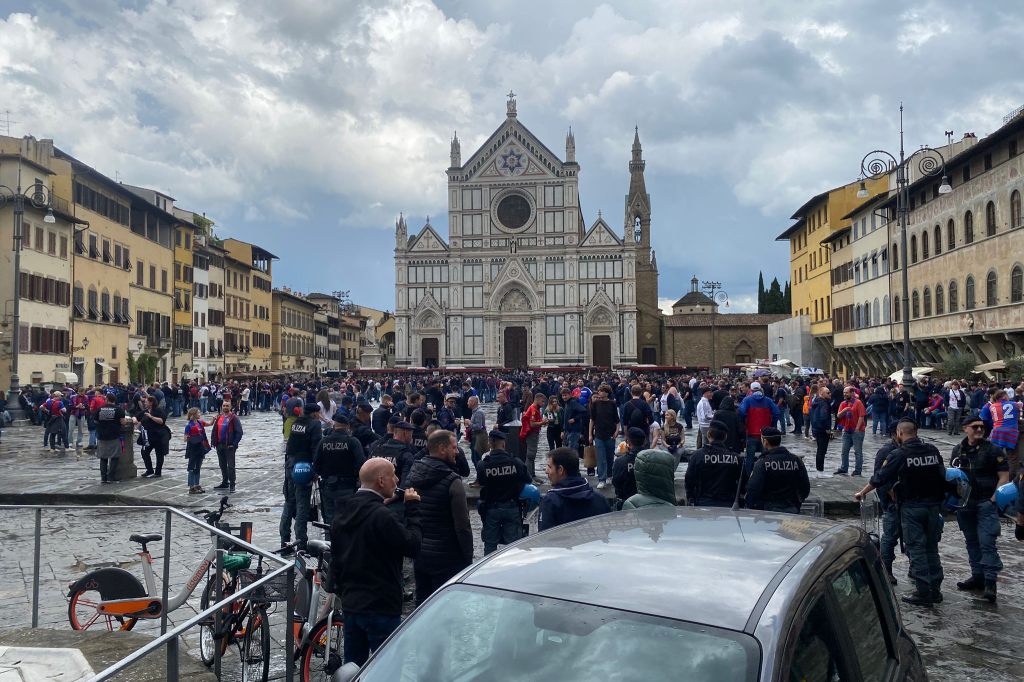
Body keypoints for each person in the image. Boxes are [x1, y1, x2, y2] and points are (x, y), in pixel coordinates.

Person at [330, 458, 422, 666]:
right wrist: (414, 509)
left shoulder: (343, 511)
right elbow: (413, 546)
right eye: (393, 475)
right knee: (388, 668)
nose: (397, 480)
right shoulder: (382, 516)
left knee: (354, 668)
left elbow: (336, 556)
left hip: (352, 605)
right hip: (381, 606)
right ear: (381, 481)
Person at [855, 420, 947, 606]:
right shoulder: (932, 450)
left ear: (899, 433)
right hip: (933, 506)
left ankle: (923, 591)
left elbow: (880, 477)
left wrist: (862, 492)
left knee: (917, 548)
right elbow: (942, 474)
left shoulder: (899, 454)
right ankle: (935, 588)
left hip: (911, 507)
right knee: (931, 547)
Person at [405, 430, 474, 605]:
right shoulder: (453, 481)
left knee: (422, 606)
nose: (457, 452)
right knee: (447, 609)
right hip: (447, 558)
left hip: (421, 555)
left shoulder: (413, 473)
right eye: (454, 447)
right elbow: (463, 526)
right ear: (442, 449)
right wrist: (468, 558)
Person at [950, 414, 1009, 603]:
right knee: (971, 542)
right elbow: (953, 475)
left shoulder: (993, 450)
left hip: (985, 503)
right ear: (965, 428)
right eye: (974, 427)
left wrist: (994, 499)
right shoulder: (958, 450)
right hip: (965, 504)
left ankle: (990, 583)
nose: (979, 430)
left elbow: (1004, 477)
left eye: (981, 427)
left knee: (987, 543)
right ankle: (977, 577)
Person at [476, 429, 530, 555]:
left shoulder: (483, 464)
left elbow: (481, 482)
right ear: (504, 444)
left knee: (490, 546)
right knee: (512, 547)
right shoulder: (515, 462)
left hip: (491, 508)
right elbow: (528, 479)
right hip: (512, 507)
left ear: (490, 444)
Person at [281, 402, 323, 549]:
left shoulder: (296, 423)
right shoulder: (314, 424)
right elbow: (316, 448)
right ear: (315, 413)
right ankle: (301, 543)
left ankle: (284, 540)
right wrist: (316, 470)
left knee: (289, 501)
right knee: (302, 505)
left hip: (290, 465)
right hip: (303, 466)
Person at [538, 447, 610, 531]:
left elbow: (544, 537)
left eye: (549, 467)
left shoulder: (550, 502)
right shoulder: (599, 499)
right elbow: (608, 530)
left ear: (560, 470)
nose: (546, 471)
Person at [314, 413, 366, 525]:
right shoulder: (353, 441)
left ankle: (330, 542)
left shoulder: (323, 442)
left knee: (329, 521)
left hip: (328, 486)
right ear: (347, 427)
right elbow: (362, 463)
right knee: (349, 520)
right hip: (348, 486)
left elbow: (316, 465)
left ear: (334, 426)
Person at [745, 427, 810, 514]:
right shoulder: (796, 460)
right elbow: (805, 486)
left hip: (768, 511)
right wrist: (798, 502)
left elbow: (753, 489)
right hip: (792, 508)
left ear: (765, 442)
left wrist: (752, 506)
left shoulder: (763, 462)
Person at [684, 420, 743, 507]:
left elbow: (689, 479)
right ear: (725, 437)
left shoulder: (698, 455)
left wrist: (690, 498)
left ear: (708, 435)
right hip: (729, 505)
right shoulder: (735, 458)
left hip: (703, 503)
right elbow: (743, 481)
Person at [872, 423, 902, 585]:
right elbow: (879, 478)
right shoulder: (886, 451)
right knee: (890, 537)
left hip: (909, 501)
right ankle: (886, 570)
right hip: (892, 503)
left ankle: (914, 567)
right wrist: (891, 495)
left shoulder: (909, 450)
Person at [738, 381, 780, 475]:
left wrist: (746, 421)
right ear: (760, 389)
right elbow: (777, 412)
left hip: (751, 432)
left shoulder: (747, 400)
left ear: (751, 390)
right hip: (765, 433)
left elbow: (741, 412)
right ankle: (765, 474)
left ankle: (749, 476)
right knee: (766, 456)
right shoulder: (768, 400)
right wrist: (772, 424)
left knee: (749, 457)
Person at [93, 392, 130, 483]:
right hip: (114, 435)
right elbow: (123, 422)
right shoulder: (119, 410)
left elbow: (95, 421)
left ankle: (103, 478)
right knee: (114, 456)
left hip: (101, 436)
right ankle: (111, 476)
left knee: (103, 457)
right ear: (114, 400)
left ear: (106, 400)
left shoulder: (99, 409)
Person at [370, 420, 417, 485]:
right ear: (405, 433)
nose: (411, 437)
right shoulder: (406, 454)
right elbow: (405, 482)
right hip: (392, 492)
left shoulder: (377, 448)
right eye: (411, 434)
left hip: (373, 491)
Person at [210, 400, 243, 492]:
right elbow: (214, 430)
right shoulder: (219, 417)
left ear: (230, 407)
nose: (225, 407)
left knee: (231, 466)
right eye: (224, 406)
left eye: (227, 406)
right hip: (219, 445)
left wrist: (234, 444)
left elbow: (239, 432)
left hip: (229, 446)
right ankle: (225, 482)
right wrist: (214, 442)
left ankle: (232, 484)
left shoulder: (234, 418)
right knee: (222, 465)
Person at [835, 386, 867, 476]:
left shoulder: (858, 403)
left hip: (858, 431)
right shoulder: (843, 404)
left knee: (858, 452)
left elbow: (862, 416)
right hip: (846, 430)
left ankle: (858, 470)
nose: (845, 394)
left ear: (852, 393)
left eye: (847, 392)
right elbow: (838, 416)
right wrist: (844, 410)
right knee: (844, 451)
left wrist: (857, 428)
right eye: (844, 392)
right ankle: (844, 468)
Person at [611, 427, 645, 508]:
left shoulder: (620, 461)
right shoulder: (652, 460)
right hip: (646, 504)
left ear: (628, 442)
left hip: (625, 502)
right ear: (644, 442)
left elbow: (616, 482)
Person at [139, 395, 171, 478]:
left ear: (151, 402)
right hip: (148, 437)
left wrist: (151, 417)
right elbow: (138, 417)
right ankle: (149, 470)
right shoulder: (145, 411)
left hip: (159, 436)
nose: (145, 403)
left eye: (146, 402)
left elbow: (161, 421)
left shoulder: (158, 410)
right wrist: (134, 419)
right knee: (144, 452)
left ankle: (158, 472)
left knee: (159, 454)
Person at [519, 393, 547, 482]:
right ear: (537, 399)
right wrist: (542, 423)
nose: (543, 404)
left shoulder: (535, 408)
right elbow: (532, 424)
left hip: (533, 434)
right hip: (531, 434)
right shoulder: (533, 409)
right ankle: (528, 477)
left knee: (532, 455)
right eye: (542, 401)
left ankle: (532, 475)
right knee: (530, 455)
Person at [183, 407, 211, 494]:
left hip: (200, 448)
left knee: (198, 467)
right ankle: (192, 486)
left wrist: (214, 419)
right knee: (192, 467)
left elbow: (209, 424)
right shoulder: (189, 426)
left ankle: (197, 484)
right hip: (193, 449)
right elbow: (185, 438)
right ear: (194, 415)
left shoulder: (200, 423)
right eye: (198, 413)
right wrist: (193, 437)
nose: (200, 414)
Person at [810, 387, 832, 473]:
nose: (830, 394)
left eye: (829, 392)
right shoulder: (823, 404)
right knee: (822, 450)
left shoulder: (816, 402)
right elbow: (824, 417)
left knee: (820, 449)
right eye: (828, 393)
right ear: (822, 394)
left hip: (816, 428)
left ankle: (819, 468)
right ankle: (820, 469)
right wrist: (827, 428)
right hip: (822, 429)